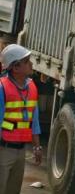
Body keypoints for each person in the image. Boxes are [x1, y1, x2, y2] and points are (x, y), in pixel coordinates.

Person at [0, 45, 41, 194]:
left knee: (13, 190)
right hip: (3, 149)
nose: (31, 64)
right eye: (26, 61)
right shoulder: (2, 88)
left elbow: (34, 121)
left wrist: (37, 147)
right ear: (15, 67)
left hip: (21, 150)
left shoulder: (31, 87)